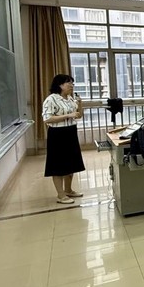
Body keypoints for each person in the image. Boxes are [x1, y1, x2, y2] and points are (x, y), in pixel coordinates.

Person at [42, 74, 85, 204]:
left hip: (70, 132)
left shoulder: (70, 99)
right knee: (58, 165)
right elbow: (47, 119)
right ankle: (60, 195)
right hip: (57, 134)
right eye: (68, 83)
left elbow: (78, 115)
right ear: (60, 85)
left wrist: (80, 104)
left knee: (71, 163)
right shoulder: (51, 99)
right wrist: (68, 115)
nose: (71, 86)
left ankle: (68, 190)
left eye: (72, 83)